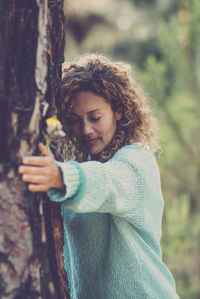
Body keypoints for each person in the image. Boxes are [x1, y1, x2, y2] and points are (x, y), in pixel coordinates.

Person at [18, 54, 179, 299]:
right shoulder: (79, 169)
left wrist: (60, 177)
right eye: (74, 120)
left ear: (119, 111)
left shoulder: (137, 162)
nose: (85, 130)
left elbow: (108, 181)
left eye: (95, 117)